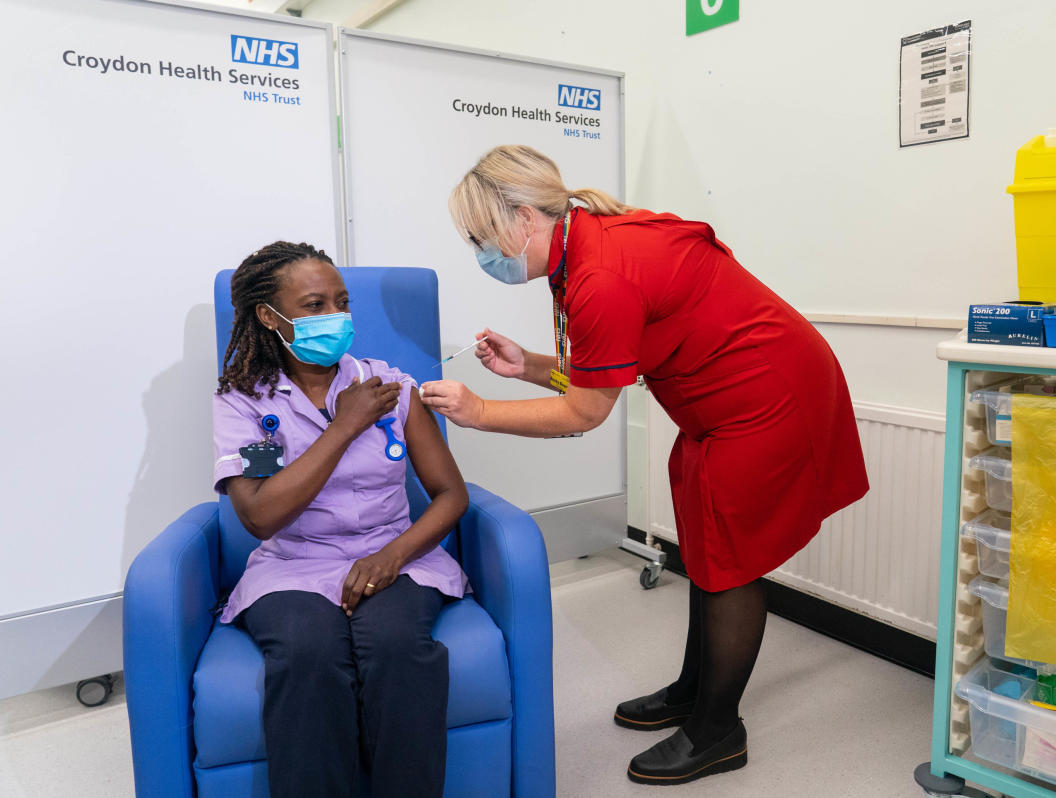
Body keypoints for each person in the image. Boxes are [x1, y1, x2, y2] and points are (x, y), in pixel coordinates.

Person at [420, 145, 869, 786]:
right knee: (709, 549)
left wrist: (479, 410)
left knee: (731, 561)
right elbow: (610, 362)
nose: (481, 255)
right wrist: (530, 365)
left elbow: (585, 413)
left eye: (480, 238)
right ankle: (694, 690)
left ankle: (719, 730)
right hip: (723, 402)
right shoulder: (588, 240)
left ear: (523, 217)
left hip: (766, 400)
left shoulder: (600, 274)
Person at [212, 241, 470, 798]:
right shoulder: (246, 403)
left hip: (396, 556)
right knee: (307, 655)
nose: (334, 317)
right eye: (313, 305)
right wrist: (343, 426)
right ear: (269, 316)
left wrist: (391, 556)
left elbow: (450, 494)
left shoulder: (391, 387)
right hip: (293, 564)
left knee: (398, 647)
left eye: (341, 302)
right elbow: (259, 516)